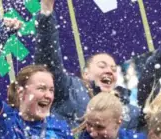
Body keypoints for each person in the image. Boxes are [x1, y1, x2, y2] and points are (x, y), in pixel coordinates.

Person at [35, 0, 148, 129]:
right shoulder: (70, 89)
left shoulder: (128, 110)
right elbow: (49, 61)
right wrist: (47, 12)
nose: (110, 71)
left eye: (113, 68)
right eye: (102, 65)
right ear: (86, 73)